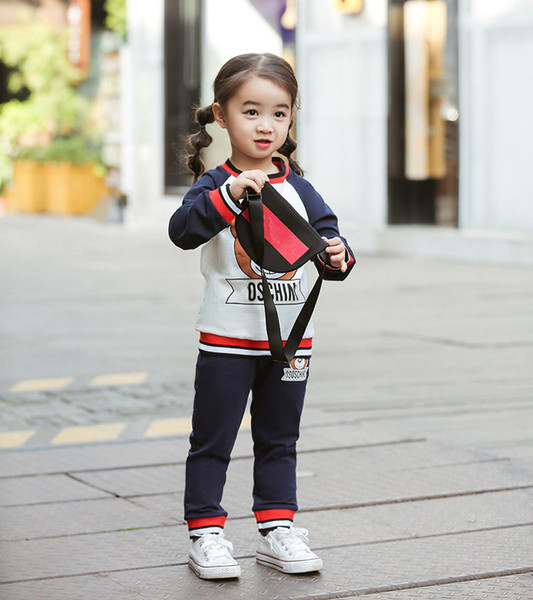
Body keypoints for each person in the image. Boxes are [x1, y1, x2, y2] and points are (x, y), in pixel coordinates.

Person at [168, 53, 355, 580]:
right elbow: (182, 232)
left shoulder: (301, 187)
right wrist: (228, 196)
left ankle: (278, 530)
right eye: (251, 111)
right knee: (213, 440)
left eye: (279, 113)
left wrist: (339, 255)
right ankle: (206, 534)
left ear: (291, 118)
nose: (266, 125)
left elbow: (330, 244)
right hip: (227, 339)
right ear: (221, 115)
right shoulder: (214, 184)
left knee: (280, 438)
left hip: (291, 342)